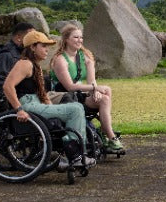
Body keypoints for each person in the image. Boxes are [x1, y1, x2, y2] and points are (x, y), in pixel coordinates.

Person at [3, 31, 95, 168]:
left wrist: (53, 108)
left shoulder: (36, 66)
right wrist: (19, 109)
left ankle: (73, 153)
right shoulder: (25, 64)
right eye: (43, 46)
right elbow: (7, 86)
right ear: (33, 47)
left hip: (36, 102)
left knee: (74, 108)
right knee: (75, 109)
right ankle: (74, 156)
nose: (47, 50)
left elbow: (43, 94)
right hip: (27, 104)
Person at [50, 24, 124, 152]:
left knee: (105, 94)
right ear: (66, 39)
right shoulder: (60, 60)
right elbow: (70, 86)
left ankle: (105, 131)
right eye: (76, 37)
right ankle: (111, 136)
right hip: (63, 97)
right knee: (104, 90)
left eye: (81, 37)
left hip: (78, 95)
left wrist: (94, 91)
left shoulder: (85, 56)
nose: (80, 40)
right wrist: (94, 88)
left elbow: (92, 81)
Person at [0, 22, 35, 103]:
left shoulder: (23, 54)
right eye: (30, 37)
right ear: (19, 38)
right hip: (14, 104)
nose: (34, 40)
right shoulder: (6, 55)